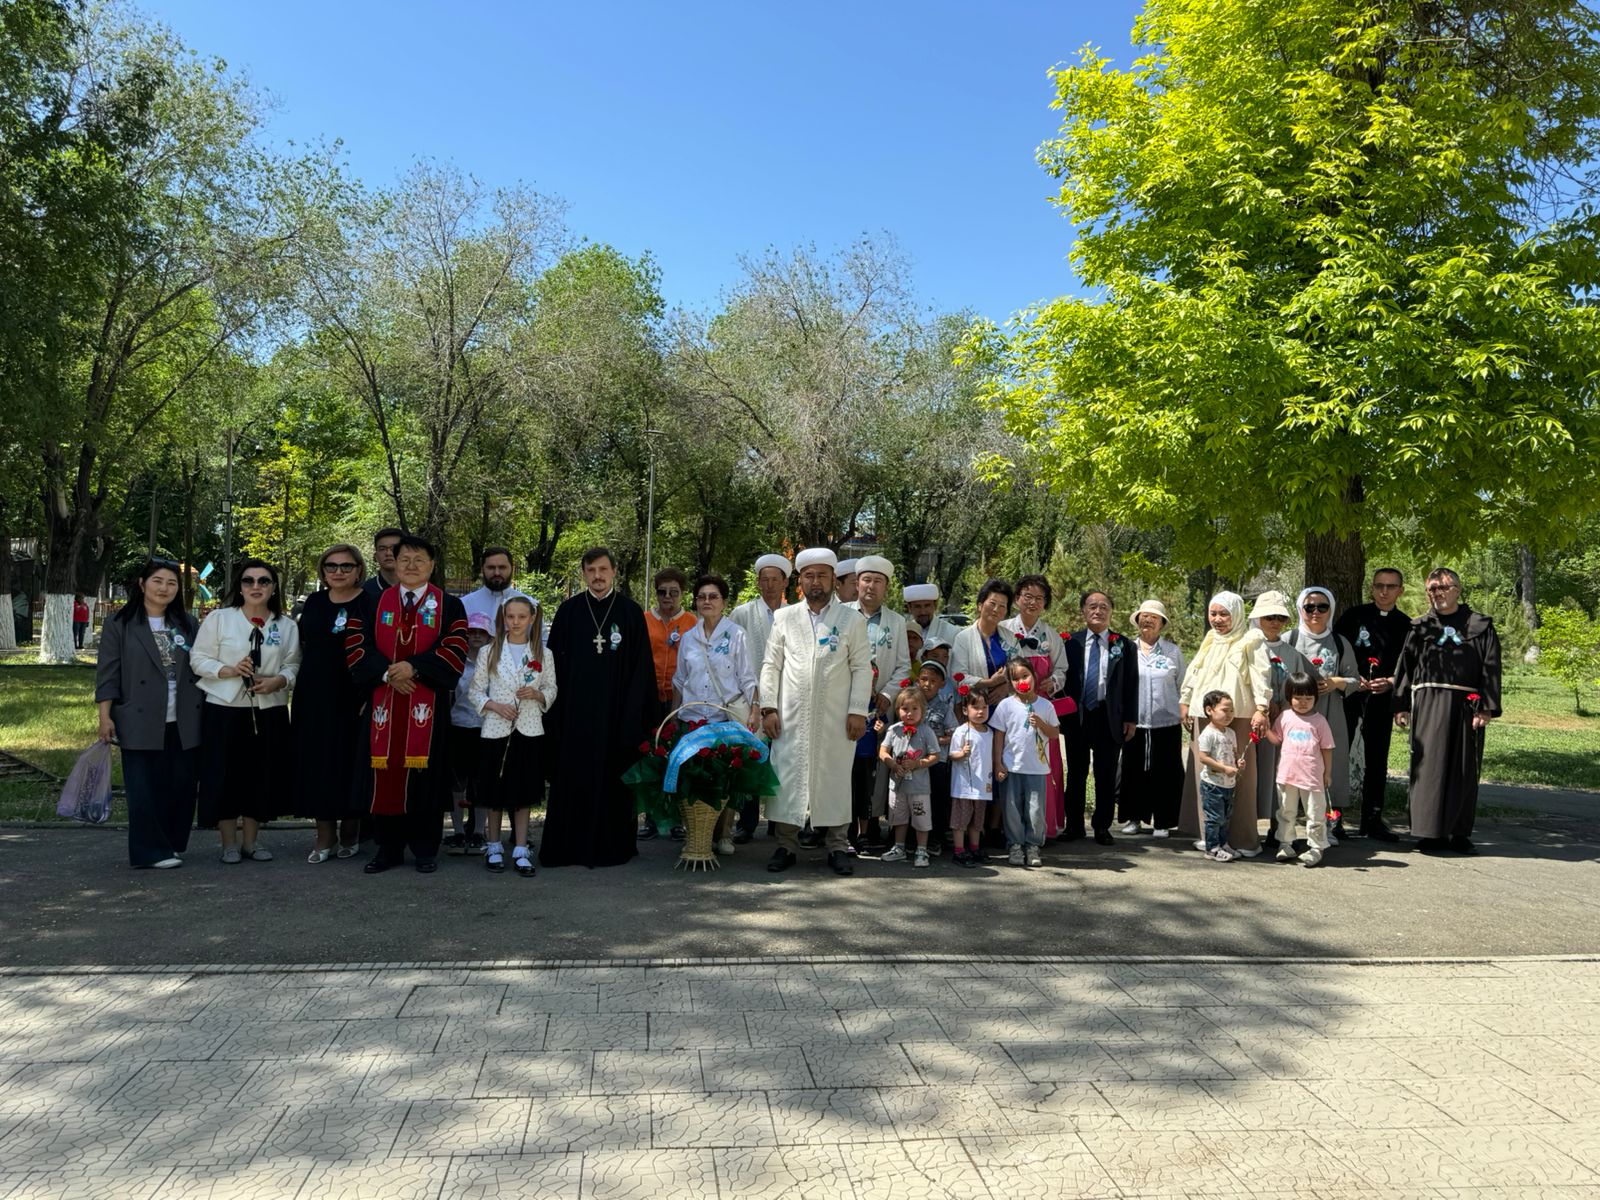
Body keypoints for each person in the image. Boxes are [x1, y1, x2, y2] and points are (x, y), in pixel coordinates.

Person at [346, 534, 470, 874]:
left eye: (419, 560)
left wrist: (413, 667)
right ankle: (388, 849)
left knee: (426, 777)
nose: (411, 566)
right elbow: (357, 645)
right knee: (384, 773)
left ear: (431, 565)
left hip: (426, 708)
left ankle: (426, 848)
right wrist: (388, 675)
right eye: (404, 559)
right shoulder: (372, 601)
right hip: (383, 705)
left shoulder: (448, 605)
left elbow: (455, 648)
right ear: (393, 563)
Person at [758, 547, 873, 876]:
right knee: (788, 777)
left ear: (834, 580)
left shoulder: (851, 620)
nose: (815, 581)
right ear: (800, 581)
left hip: (836, 717)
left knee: (835, 777)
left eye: (822, 575)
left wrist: (856, 711)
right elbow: (771, 666)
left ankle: (837, 846)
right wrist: (768, 708)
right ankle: (786, 844)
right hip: (790, 716)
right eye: (809, 575)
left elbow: (862, 668)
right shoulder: (784, 617)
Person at [540, 546, 656, 869]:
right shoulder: (568, 612)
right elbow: (553, 669)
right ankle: (570, 847)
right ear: (583, 574)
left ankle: (613, 847)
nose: (598, 576)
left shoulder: (631, 613)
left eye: (603, 570)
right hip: (575, 715)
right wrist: (556, 714)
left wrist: (632, 719)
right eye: (591, 571)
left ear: (614, 571)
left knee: (612, 782)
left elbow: (641, 670)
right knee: (573, 778)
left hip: (617, 717)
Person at [191, 559, 302, 864]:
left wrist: (280, 680)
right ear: (239, 587)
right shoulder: (219, 619)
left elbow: (293, 664)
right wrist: (226, 670)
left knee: (261, 774)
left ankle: (251, 842)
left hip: (268, 709)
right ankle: (228, 844)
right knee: (224, 774)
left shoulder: (286, 625)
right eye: (248, 581)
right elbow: (197, 659)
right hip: (225, 709)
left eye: (263, 581)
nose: (256, 587)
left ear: (273, 587)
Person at [95, 558, 202, 869]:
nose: (164, 588)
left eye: (171, 583)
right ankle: (147, 852)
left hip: (184, 716)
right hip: (139, 717)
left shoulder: (187, 623)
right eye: (157, 581)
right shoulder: (120, 624)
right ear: (142, 584)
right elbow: (107, 674)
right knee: (143, 788)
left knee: (182, 785)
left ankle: (169, 844)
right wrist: (105, 716)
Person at [1392, 567, 1502, 854]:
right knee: (1428, 768)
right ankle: (1429, 833)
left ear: (1457, 589)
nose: (1437, 593)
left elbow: (1491, 667)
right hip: (1427, 703)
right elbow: (1406, 666)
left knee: (1463, 769)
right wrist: (1401, 704)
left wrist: (1487, 708)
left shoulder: (1479, 625)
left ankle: (1459, 833)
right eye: (1432, 589)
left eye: (1443, 587)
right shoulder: (1420, 626)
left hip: (1466, 706)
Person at [673, 572, 761, 855]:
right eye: (701, 597)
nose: (706, 601)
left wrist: (755, 709)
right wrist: (675, 715)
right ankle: (697, 834)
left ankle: (724, 834)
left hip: (724, 717)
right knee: (695, 777)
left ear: (724, 602)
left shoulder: (736, 634)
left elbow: (748, 677)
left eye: (713, 597)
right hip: (694, 718)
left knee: (725, 778)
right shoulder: (688, 638)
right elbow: (679, 679)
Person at [294, 545, 372, 863]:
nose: (338, 571)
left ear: (358, 570)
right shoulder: (313, 602)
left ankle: (351, 830)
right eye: (331, 566)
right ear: (322, 570)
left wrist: (369, 693)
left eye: (346, 566)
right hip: (313, 695)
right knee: (318, 765)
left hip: (353, 695)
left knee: (349, 763)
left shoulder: (370, 602)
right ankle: (324, 835)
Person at [1178, 592, 1271, 855]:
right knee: (1206, 773)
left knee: (1238, 773)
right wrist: (1186, 701)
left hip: (1238, 715)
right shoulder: (1211, 639)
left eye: (1224, 614)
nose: (1218, 620)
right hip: (1205, 713)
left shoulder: (1250, 640)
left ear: (1237, 614)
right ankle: (1210, 836)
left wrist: (1261, 708)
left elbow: (1261, 674)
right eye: (1213, 613)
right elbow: (1195, 671)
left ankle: (1242, 838)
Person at [470, 595, 556, 877]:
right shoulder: (489, 652)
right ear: (503, 619)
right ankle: (493, 845)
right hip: (496, 729)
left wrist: (538, 694)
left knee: (523, 792)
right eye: (510, 617)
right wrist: (494, 705)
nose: (516, 622)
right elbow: (475, 691)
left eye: (521, 617)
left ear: (532, 618)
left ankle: (520, 848)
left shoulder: (543, 654)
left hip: (529, 729)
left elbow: (553, 689)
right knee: (494, 793)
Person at [1334, 568, 1409, 841]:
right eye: (1379, 586)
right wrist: (1352, 678)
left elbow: (1409, 665)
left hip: (1383, 698)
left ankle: (1372, 819)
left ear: (1400, 590)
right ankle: (1335, 818)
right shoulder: (1353, 616)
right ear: (1372, 588)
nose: (1384, 591)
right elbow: (1336, 650)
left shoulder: (1406, 624)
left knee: (1377, 760)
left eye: (1391, 586)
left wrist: (1391, 680)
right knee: (1339, 755)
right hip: (1350, 695)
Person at [1283, 587, 1360, 839]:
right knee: (1291, 763)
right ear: (1300, 609)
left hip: (1330, 713)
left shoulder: (1340, 642)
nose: (1315, 612)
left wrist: (1337, 682)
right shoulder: (1289, 639)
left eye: (1322, 607)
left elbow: (1355, 680)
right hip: (1294, 716)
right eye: (1309, 607)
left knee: (1332, 765)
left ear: (1331, 610)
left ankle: (1331, 822)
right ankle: (1286, 824)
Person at [1064, 591, 1137, 844]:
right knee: (1075, 773)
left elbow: (1131, 684)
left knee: (1105, 775)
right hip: (1079, 717)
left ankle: (1102, 826)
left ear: (1111, 612)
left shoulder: (1124, 645)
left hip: (1110, 718)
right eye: (1092, 606)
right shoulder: (1070, 642)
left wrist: (1131, 718)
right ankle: (1073, 826)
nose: (1098, 611)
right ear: (1083, 610)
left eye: (1104, 606)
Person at [728, 554, 790, 844]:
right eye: (763, 580)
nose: (768, 585)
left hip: (787, 698)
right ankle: (747, 821)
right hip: (751, 699)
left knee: (783, 760)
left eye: (774, 579)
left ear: (785, 582)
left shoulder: (795, 613)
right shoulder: (742, 614)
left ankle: (781, 821)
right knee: (752, 757)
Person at [1001, 575, 1070, 837]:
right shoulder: (1003, 628)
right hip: (1007, 708)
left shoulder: (1051, 635)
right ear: (1017, 598)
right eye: (1027, 596)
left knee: (1041, 766)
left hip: (1040, 709)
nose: (1032, 602)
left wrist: (1052, 681)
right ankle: (1006, 829)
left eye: (1039, 598)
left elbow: (1062, 669)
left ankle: (1041, 828)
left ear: (1045, 604)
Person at [1247, 590, 1316, 849]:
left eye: (1280, 617)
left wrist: (1285, 705)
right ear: (1258, 619)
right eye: (1268, 617)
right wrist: (1261, 704)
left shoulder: (1292, 654)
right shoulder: (1249, 646)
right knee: (1254, 775)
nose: (1274, 622)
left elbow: (1302, 685)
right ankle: (1247, 828)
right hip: (1255, 720)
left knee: (1281, 775)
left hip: (1284, 723)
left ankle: (1279, 830)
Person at [1116, 599, 1186, 838]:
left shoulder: (1172, 652)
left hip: (1167, 723)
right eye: (1143, 617)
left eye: (1153, 617)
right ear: (1137, 621)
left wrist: (1184, 709)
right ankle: (1134, 818)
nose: (1147, 621)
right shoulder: (1127, 649)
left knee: (1166, 772)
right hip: (1134, 723)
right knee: (1133, 772)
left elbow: (1183, 686)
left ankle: (1163, 822)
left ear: (1162, 623)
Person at [641, 567, 697, 840]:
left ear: (681, 594)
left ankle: (676, 820)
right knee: (651, 756)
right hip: (649, 698)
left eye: (673, 592)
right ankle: (651, 818)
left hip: (680, 700)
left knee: (678, 757)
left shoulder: (691, 622)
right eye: (662, 591)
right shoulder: (644, 620)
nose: (667, 597)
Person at [1261, 671, 1335, 867]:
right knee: (1286, 811)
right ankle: (1286, 844)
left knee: (1315, 813)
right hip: (1287, 776)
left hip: (1312, 778)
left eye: (1308, 698)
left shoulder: (1320, 721)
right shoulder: (1284, 717)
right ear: (1289, 697)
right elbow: (1277, 740)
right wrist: (1266, 727)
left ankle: (1316, 847)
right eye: (1298, 698)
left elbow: (1327, 749)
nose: (1303, 702)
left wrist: (1327, 773)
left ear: (1315, 698)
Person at [991, 658, 1058, 868]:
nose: (1022, 681)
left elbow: (1055, 733)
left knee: (1035, 810)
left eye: (1025, 676)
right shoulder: (1006, 705)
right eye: (1016, 678)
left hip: (1037, 769)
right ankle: (1015, 845)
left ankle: (1033, 845)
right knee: (1011, 809)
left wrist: (1041, 723)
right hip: (1012, 767)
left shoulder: (1045, 705)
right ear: (1010, 683)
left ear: (1034, 675)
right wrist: (998, 763)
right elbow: (999, 737)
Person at [445, 613, 494, 855]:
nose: (476, 636)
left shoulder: (495, 664)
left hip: (485, 729)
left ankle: (478, 831)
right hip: (458, 726)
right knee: (457, 783)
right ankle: (457, 831)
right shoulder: (456, 663)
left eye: (480, 632)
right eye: (471, 632)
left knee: (481, 782)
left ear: (489, 636)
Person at [878, 686, 941, 867]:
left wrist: (918, 764)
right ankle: (899, 847)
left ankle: (921, 850)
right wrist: (892, 763)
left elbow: (935, 755)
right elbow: (883, 751)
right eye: (905, 709)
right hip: (897, 785)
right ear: (898, 710)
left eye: (915, 709)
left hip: (919, 786)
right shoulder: (893, 730)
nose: (910, 713)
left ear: (923, 710)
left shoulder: (926, 731)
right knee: (899, 817)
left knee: (921, 818)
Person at [947, 685, 994, 867]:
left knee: (977, 820)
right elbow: (952, 754)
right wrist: (962, 753)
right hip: (964, 786)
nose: (980, 712)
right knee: (961, 820)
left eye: (984, 707)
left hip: (983, 785)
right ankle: (959, 850)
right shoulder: (961, 731)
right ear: (966, 710)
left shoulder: (989, 733)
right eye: (976, 707)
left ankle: (974, 847)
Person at [1195, 690, 1244, 862]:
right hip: (1212, 784)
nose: (1229, 714)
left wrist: (1238, 763)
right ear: (1210, 710)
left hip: (1229, 784)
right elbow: (1203, 757)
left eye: (1231, 710)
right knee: (1214, 818)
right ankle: (1212, 848)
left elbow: (1234, 753)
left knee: (1225, 818)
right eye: (1224, 710)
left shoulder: (1231, 733)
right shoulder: (1208, 734)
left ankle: (1224, 844)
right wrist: (1224, 768)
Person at [950, 579, 1014, 700]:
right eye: (992, 603)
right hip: (975, 707)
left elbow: (1022, 670)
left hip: (1007, 706)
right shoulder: (963, 638)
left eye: (1002, 606)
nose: (996, 609)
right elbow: (957, 677)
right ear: (980, 605)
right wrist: (989, 682)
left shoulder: (1011, 637)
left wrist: (1007, 686)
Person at [459, 546, 529, 630]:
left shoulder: (529, 605)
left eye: (502, 567)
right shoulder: (464, 604)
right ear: (482, 569)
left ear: (512, 569)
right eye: (491, 568)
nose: (497, 573)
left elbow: (540, 640)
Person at [903, 583, 959, 648]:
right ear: (909, 608)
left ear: (935, 606)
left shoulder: (952, 632)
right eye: (917, 606)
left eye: (927, 606)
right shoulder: (903, 633)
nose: (923, 612)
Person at [361, 528, 404, 601]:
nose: (388, 553)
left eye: (394, 548)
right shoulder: (363, 591)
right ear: (376, 556)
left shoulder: (420, 588)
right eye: (382, 549)